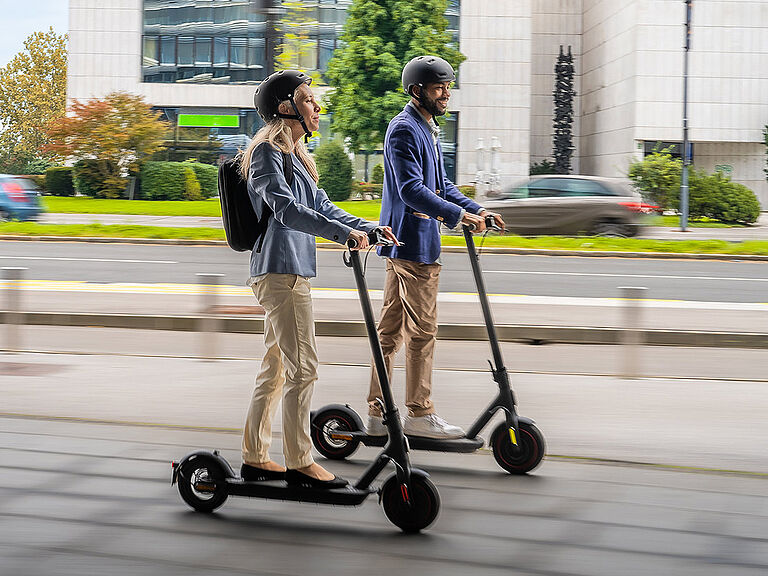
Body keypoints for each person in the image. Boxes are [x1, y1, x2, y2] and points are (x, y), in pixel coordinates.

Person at [239, 70, 398, 488]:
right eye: (308, 99)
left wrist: (367, 226)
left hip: (291, 272)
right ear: (285, 107)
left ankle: (255, 457)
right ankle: (299, 462)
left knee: (275, 369)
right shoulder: (265, 154)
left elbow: (324, 208)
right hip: (280, 272)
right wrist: (343, 234)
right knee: (303, 369)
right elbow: (286, 210)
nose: (317, 107)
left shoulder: (296, 158)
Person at [366, 56, 505, 439]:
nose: (446, 93)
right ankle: (419, 412)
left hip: (408, 244)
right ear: (417, 91)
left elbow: (441, 185)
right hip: (413, 245)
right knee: (423, 331)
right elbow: (412, 190)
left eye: (448, 86)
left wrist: (478, 210)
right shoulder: (404, 130)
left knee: (389, 332)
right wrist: (458, 218)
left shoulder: (428, 129)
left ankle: (377, 414)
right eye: (439, 87)